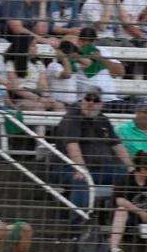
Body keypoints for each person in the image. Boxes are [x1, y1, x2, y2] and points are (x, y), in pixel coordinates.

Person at [51, 85, 135, 213]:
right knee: (82, 180)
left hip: (100, 169)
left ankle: (115, 217)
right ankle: (78, 226)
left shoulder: (102, 119)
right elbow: (72, 144)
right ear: (82, 99)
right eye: (88, 98)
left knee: (128, 176)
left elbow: (117, 145)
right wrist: (81, 169)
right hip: (69, 168)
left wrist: (131, 168)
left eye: (95, 100)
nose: (90, 102)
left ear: (101, 104)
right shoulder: (73, 116)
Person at [5, 35, 63, 112]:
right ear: (24, 48)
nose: (36, 48)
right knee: (39, 106)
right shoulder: (11, 63)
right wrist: (36, 98)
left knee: (59, 106)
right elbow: (15, 87)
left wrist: (46, 97)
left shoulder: (38, 63)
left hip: (37, 93)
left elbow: (43, 84)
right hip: (20, 97)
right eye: (33, 46)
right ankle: (41, 124)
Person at [108, 150, 147, 252]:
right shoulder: (125, 179)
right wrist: (140, 212)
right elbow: (119, 200)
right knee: (121, 210)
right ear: (143, 170)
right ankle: (114, 247)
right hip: (130, 217)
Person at [47, 39, 82, 108]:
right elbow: (67, 75)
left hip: (72, 105)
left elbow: (88, 64)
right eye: (72, 57)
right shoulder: (54, 65)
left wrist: (76, 58)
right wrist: (63, 57)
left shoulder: (73, 66)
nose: (74, 59)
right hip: (58, 104)